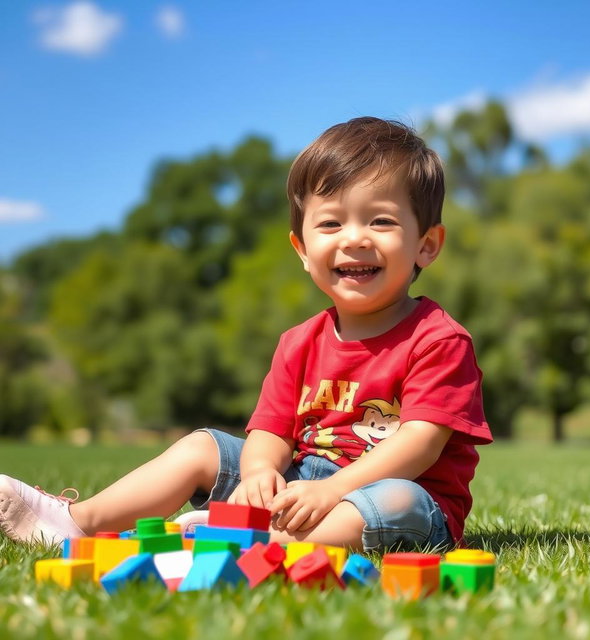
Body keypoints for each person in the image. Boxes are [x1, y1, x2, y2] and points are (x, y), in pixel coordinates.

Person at [0, 117, 492, 552]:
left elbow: (419, 445)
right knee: (202, 446)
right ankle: (78, 523)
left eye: (381, 220)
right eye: (331, 222)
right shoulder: (299, 341)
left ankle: (249, 541)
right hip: (301, 482)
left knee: (397, 497)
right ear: (302, 248)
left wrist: (333, 490)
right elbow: (271, 431)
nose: (354, 237)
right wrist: (259, 472)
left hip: (402, 497)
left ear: (426, 245)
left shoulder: (438, 339)